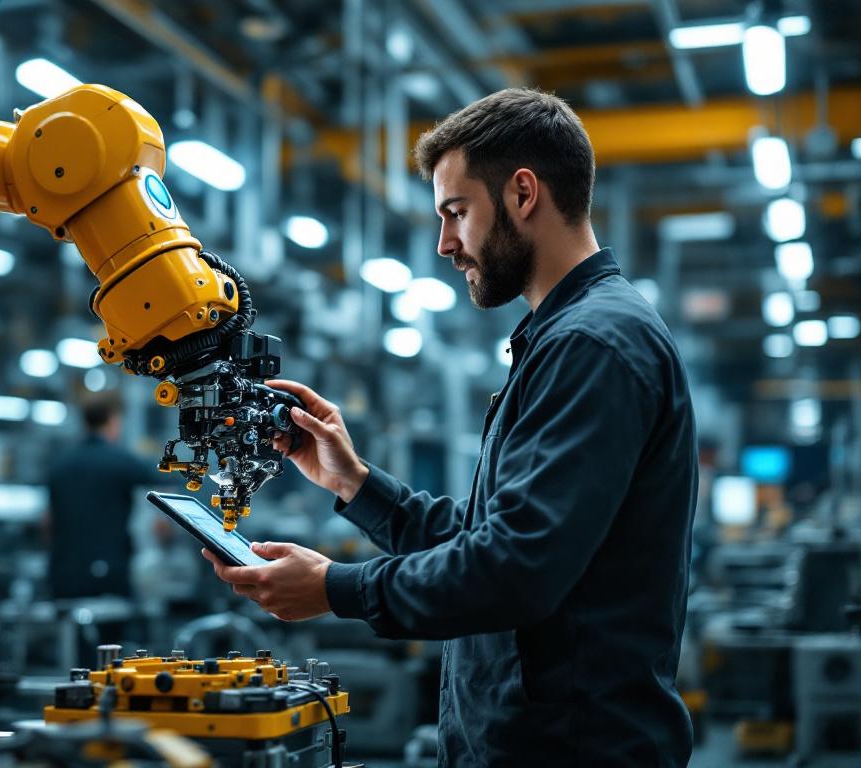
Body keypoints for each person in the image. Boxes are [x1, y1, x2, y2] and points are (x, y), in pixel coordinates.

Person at [201, 89, 698, 766]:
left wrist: (335, 588)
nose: (445, 244)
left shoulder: (594, 345)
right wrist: (356, 483)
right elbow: (492, 536)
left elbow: (515, 571)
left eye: (456, 213)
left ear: (524, 194)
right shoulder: (564, 339)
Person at [46, 391, 163, 599]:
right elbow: (165, 480)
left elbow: (48, 522)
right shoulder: (120, 461)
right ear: (113, 418)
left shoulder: (59, 464)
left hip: (62, 572)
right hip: (107, 573)